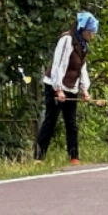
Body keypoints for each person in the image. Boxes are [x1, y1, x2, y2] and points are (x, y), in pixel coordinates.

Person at [34, 12, 97, 165]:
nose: (93, 36)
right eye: (92, 33)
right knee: (51, 120)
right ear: (84, 30)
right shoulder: (67, 40)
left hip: (71, 87)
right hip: (55, 85)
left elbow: (82, 69)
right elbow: (59, 65)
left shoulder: (83, 45)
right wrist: (58, 89)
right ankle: (38, 157)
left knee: (72, 123)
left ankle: (74, 157)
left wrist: (84, 89)